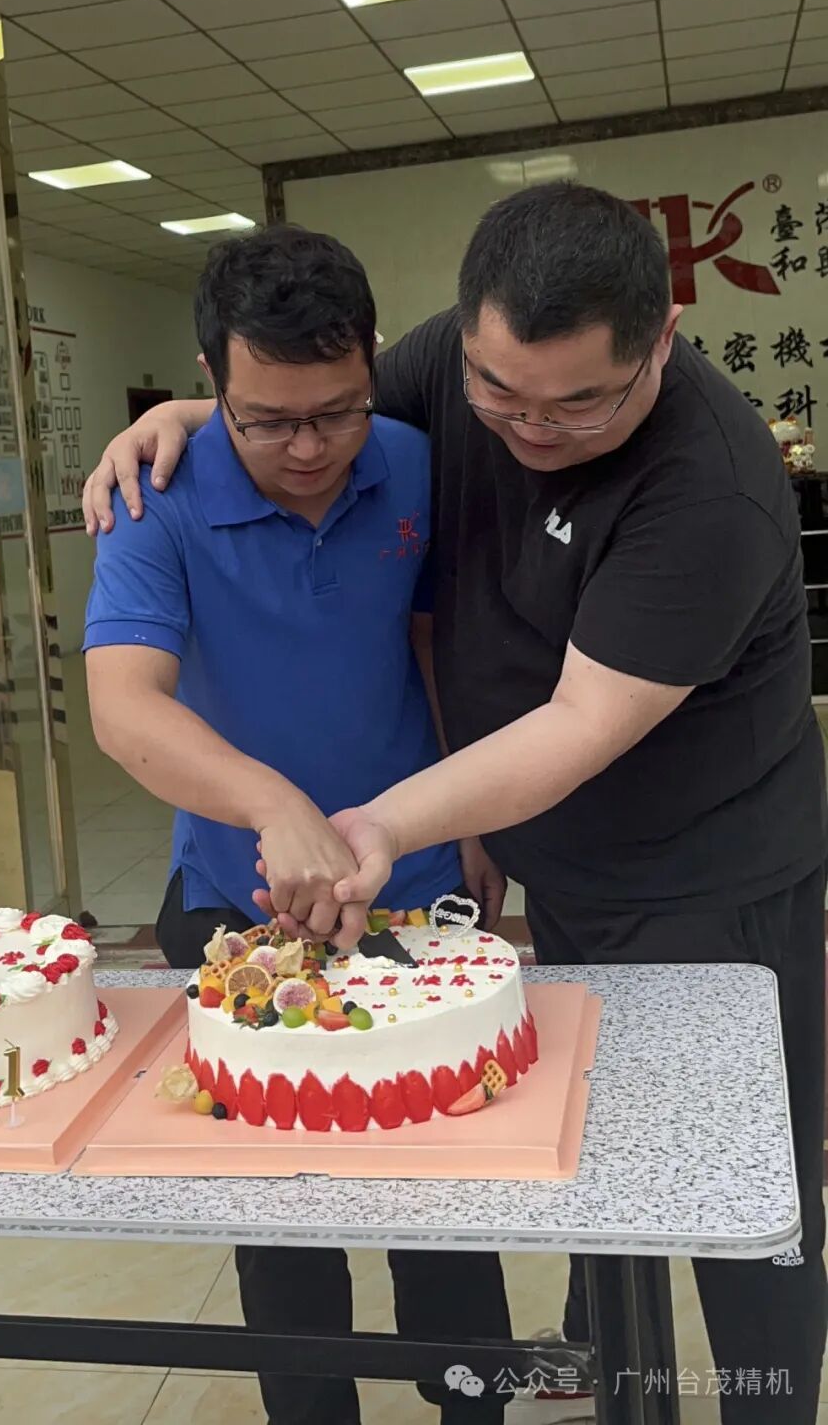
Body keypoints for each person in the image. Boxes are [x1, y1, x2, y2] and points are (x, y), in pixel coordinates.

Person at [84, 182, 828, 1424]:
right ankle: (603, 1354)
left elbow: (579, 724)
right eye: (499, 392)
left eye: (580, 402)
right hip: (556, 867)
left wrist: (382, 825)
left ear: (661, 341)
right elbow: (307, 397)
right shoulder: (442, 374)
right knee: (591, 1158)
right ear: (461, 340)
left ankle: (766, 1401)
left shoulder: (711, 488)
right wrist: (194, 417)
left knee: (739, 1190)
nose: (530, 425)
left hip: (710, 873)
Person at [83, 222, 506, 1425]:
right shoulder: (155, 498)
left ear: (372, 366)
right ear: (211, 384)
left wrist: (473, 817)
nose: (310, 449)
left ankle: (469, 1398)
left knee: (444, 1187)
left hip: (414, 889)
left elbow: (436, 644)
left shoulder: (415, 461)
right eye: (269, 422)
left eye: (337, 412)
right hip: (239, 900)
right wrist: (276, 805)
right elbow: (124, 706)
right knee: (283, 1216)